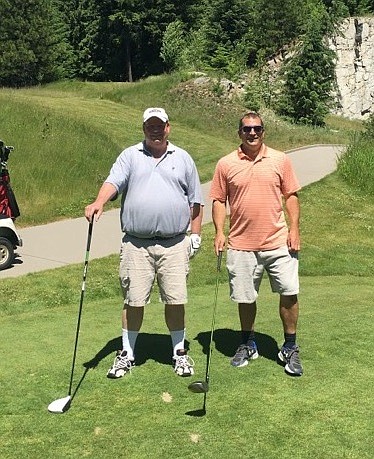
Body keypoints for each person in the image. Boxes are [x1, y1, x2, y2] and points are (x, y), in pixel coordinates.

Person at [85, 107, 204, 379]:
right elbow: (113, 181)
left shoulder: (183, 158)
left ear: (168, 128)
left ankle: (179, 353)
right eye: (150, 125)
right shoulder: (130, 156)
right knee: (134, 300)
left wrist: (195, 235)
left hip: (174, 243)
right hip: (136, 245)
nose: (155, 129)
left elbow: (195, 200)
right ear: (143, 129)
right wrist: (99, 202)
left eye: (159, 125)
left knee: (175, 299)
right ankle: (127, 354)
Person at [209, 111, 303, 376]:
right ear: (239, 132)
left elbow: (291, 195)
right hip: (241, 243)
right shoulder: (225, 164)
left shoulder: (280, 159)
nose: (253, 133)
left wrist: (294, 228)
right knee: (245, 297)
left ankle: (290, 347)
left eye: (257, 129)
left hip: (278, 241)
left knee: (289, 292)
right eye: (247, 129)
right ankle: (248, 343)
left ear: (264, 132)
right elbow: (218, 200)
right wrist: (219, 232)